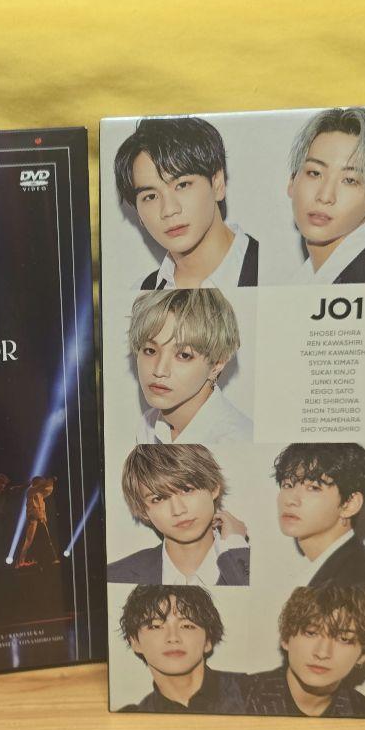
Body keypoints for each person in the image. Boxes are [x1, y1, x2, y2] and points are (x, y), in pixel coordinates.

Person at [113, 116, 259, 289]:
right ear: (138, 213)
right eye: (150, 196)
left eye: (182, 185)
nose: (169, 210)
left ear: (217, 183)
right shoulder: (139, 295)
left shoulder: (271, 268)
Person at [286, 106, 365, 283]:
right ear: (292, 180)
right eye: (315, 173)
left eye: (349, 180)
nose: (325, 196)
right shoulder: (305, 279)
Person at [107, 444, 249, 586]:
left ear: (213, 488)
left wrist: (236, 546)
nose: (178, 510)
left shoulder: (253, 564)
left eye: (187, 490)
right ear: (143, 510)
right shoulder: (113, 577)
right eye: (158, 498)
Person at [130, 285, 252, 444]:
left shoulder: (236, 441)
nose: (159, 370)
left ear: (217, 364)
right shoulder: (147, 426)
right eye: (150, 350)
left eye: (183, 355)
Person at [245, 585, 365, 718]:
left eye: (344, 639)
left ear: (363, 654)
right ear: (286, 638)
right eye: (311, 633)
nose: (322, 653)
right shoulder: (239, 696)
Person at [273, 443, 365, 587]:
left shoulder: (361, 579)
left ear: (350, 504)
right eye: (287, 485)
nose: (290, 500)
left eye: (313, 488)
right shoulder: (335, 569)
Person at [116, 585, 249, 713]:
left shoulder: (254, 691)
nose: (173, 638)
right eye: (156, 626)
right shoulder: (132, 716)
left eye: (187, 626)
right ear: (135, 642)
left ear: (207, 640)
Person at [16, 476, 59, 567]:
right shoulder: (30, 490)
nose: (43, 483)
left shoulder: (40, 493)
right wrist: (50, 480)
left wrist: (50, 482)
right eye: (41, 481)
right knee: (29, 540)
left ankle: (51, 558)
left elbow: (48, 490)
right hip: (33, 519)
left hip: (40, 519)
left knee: (45, 539)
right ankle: (21, 561)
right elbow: (41, 487)